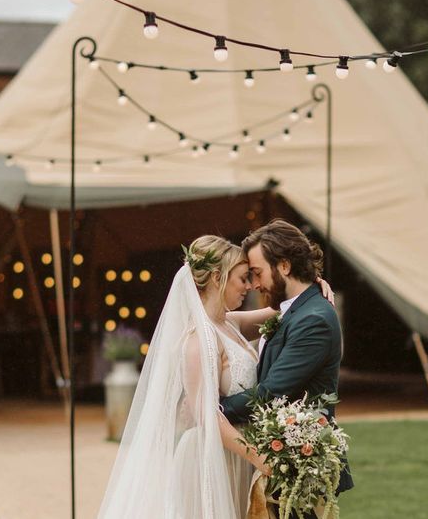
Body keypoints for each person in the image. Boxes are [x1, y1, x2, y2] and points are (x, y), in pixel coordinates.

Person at [97, 235, 335, 519]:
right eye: (243, 278)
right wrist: (262, 459)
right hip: (211, 457)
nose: (249, 286)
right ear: (217, 277)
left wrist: (312, 286)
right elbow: (205, 415)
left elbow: (285, 311)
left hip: (239, 455)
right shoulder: (198, 341)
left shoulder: (229, 323)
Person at [221, 219, 354, 518]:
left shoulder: (314, 319)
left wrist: (213, 411)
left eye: (257, 273)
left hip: (299, 465)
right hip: (279, 460)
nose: (254, 284)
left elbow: (270, 392)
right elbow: (222, 320)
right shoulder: (292, 309)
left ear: (283, 266)